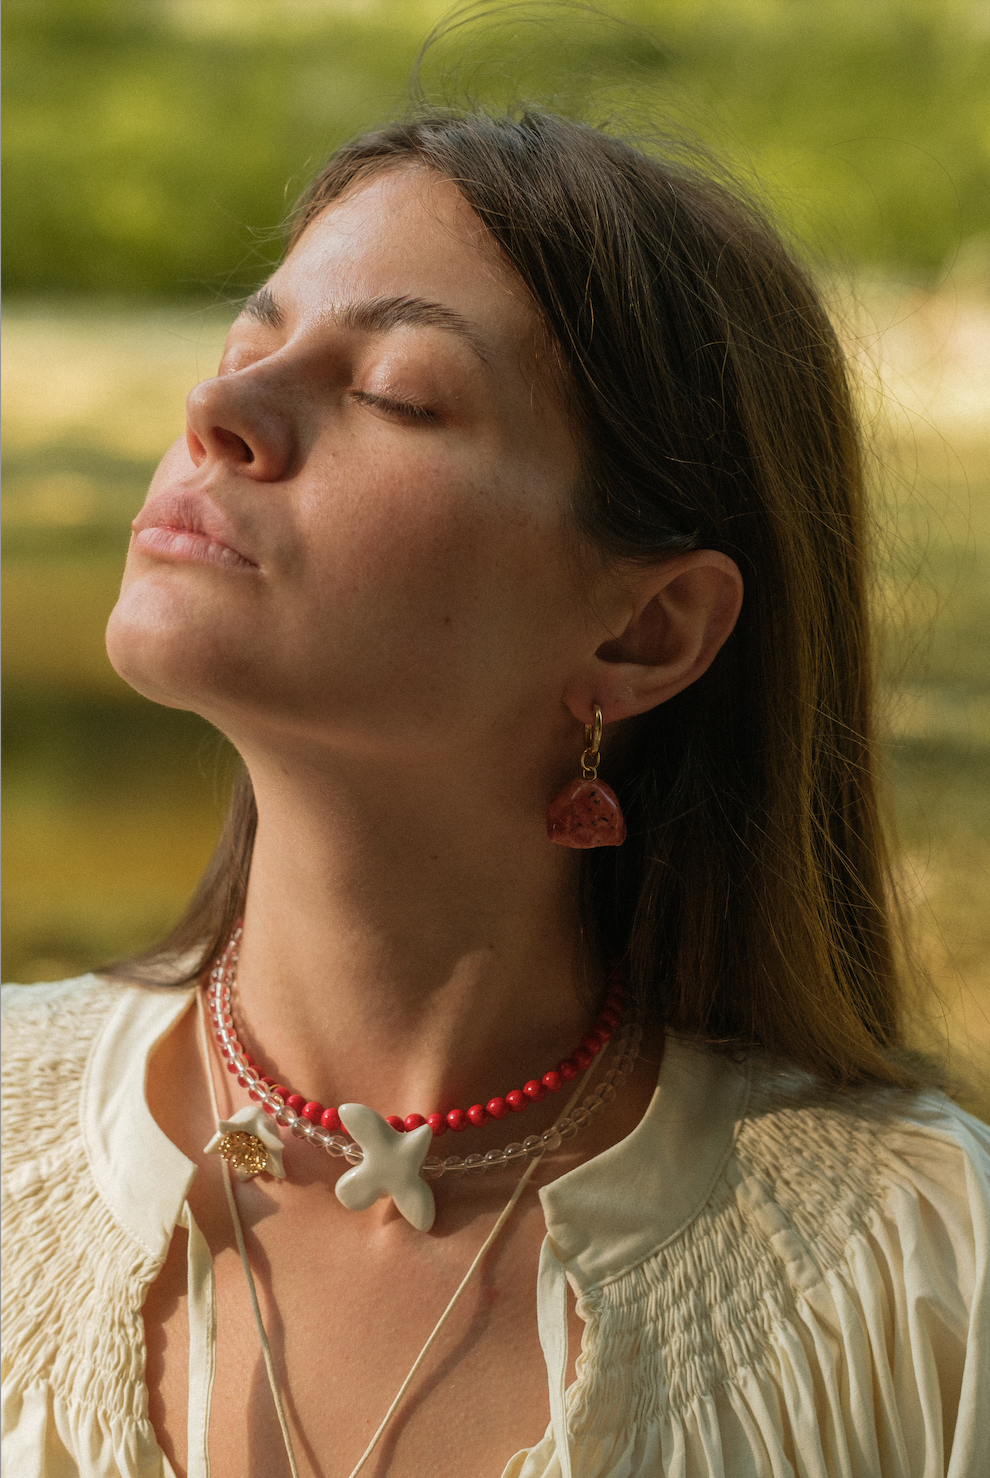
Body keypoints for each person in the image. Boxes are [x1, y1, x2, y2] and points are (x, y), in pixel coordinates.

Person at [2, 106, 988, 1478]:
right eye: (246, 344)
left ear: (643, 632)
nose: (216, 411)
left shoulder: (924, 1278)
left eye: (396, 390)